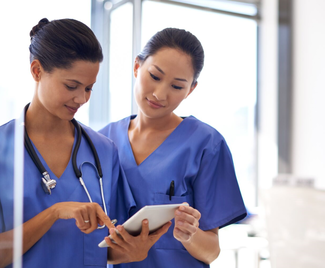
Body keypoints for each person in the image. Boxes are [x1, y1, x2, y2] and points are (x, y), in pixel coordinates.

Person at [0, 18, 166, 268]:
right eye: (71, 86)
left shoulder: (104, 151)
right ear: (37, 71)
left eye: (89, 88)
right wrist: (54, 213)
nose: (81, 98)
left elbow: (107, 248)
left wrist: (132, 252)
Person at [99, 27, 247, 267]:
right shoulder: (102, 142)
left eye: (177, 87)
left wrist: (190, 235)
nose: (159, 94)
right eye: (155, 77)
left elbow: (211, 252)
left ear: (191, 89)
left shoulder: (206, 144)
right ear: (137, 67)